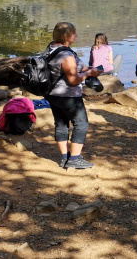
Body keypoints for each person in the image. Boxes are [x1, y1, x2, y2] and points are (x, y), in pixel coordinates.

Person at [45, 22, 102, 169]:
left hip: (52, 94)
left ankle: (65, 158)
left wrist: (87, 68)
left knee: (61, 123)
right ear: (66, 35)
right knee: (81, 124)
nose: (76, 35)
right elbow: (72, 80)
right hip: (68, 96)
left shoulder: (51, 49)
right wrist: (89, 74)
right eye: (74, 33)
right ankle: (74, 159)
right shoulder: (66, 55)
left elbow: (72, 68)